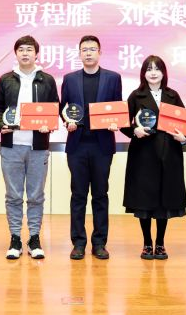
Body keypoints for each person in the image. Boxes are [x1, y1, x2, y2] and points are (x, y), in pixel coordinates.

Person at [0, 36, 60, 259]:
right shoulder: (6, 79)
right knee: (13, 195)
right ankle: (15, 238)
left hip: (38, 146)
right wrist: (1, 125)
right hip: (11, 146)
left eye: (29, 49)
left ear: (36, 54)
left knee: (36, 196)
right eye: (21, 49)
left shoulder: (47, 80)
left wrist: (49, 125)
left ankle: (34, 238)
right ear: (16, 53)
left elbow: (54, 108)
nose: (25, 53)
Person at [121, 55, 186, 260]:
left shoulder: (173, 95)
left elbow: (185, 123)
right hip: (143, 154)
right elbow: (124, 122)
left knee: (163, 200)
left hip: (169, 154)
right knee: (144, 200)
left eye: (157, 69)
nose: (153, 73)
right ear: (143, 73)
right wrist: (134, 130)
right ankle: (146, 243)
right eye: (149, 69)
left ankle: (160, 243)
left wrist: (184, 138)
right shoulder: (136, 95)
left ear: (163, 72)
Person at [60, 35, 122, 260]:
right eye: (84, 49)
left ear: (99, 52)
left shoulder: (113, 78)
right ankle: (78, 243)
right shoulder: (69, 79)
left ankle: (99, 243)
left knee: (100, 195)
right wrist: (67, 121)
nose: (88, 53)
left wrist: (116, 122)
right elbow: (63, 108)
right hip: (77, 146)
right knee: (78, 195)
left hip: (102, 146)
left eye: (92, 49)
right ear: (79, 53)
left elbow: (117, 107)